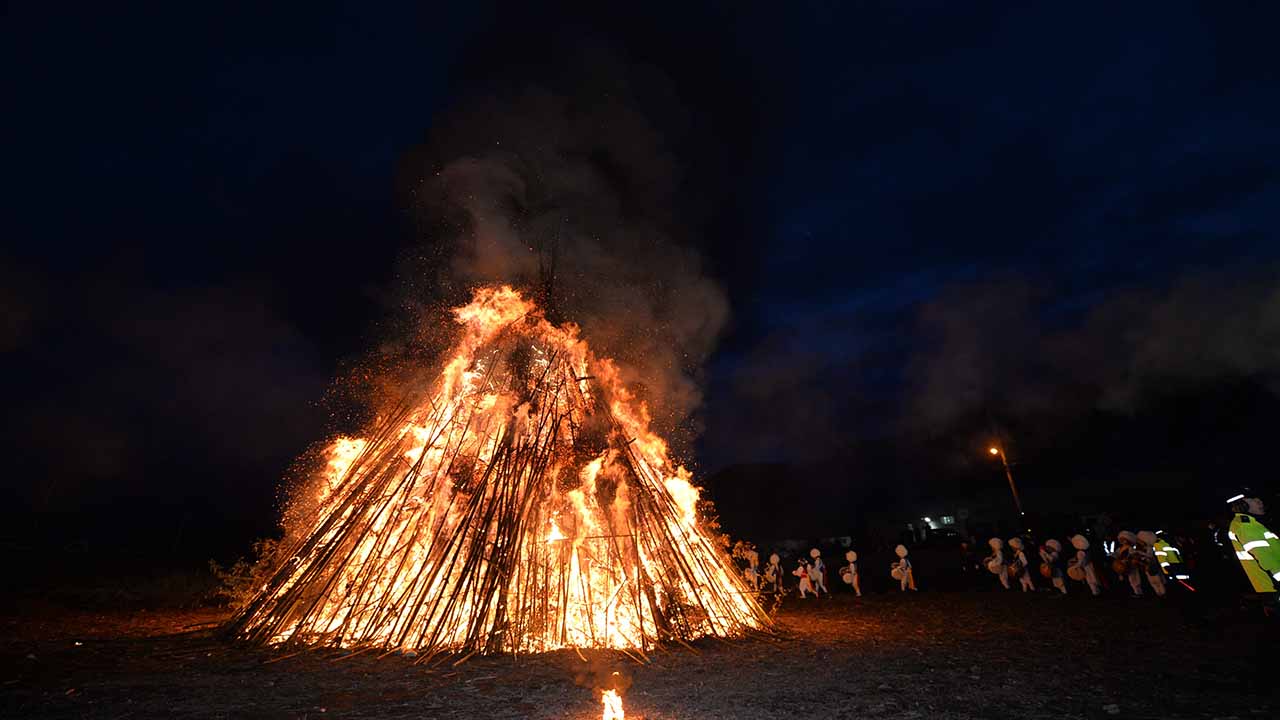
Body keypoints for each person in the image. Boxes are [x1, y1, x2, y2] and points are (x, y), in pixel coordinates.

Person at [1227, 491, 1280, 595]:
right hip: (1273, 586)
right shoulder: (1245, 526)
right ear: (1242, 505)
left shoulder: (1250, 523)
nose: (1260, 503)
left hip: (1270, 586)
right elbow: (1266, 559)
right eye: (1255, 500)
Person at [1136, 531, 1167, 597]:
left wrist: (1140, 553)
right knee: (1152, 581)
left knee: (1157, 580)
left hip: (1152, 566)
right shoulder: (1142, 548)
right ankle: (1158, 593)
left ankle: (1163, 593)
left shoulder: (1149, 548)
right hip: (1147, 566)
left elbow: (1149, 556)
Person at [1114, 530, 1143, 596]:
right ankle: (1132, 592)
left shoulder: (1130, 548)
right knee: (1129, 580)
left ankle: (1138, 593)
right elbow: (1117, 555)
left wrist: (1129, 559)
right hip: (1122, 565)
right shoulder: (1120, 548)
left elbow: (1133, 556)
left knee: (1134, 579)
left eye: (1124, 540)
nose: (1123, 541)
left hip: (1130, 565)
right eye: (1122, 540)